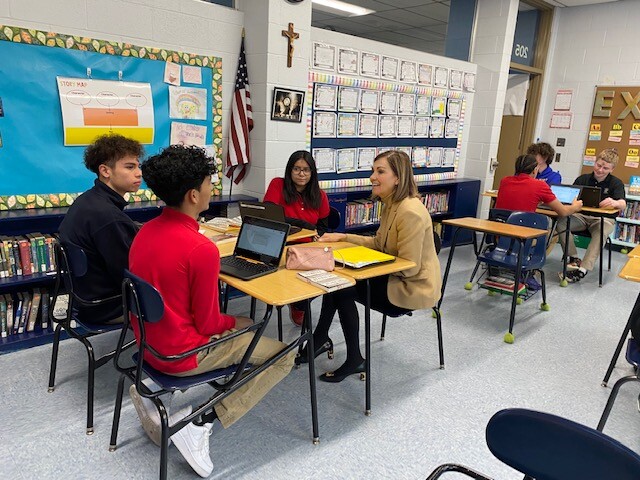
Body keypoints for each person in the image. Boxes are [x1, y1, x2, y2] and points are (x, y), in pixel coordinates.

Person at [129, 145, 295, 478]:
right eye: (209, 182)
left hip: (148, 347)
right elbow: (208, 324)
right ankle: (200, 423)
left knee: (243, 329)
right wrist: (239, 322)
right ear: (193, 195)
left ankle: (153, 393)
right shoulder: (200, 249)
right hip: (182, 356)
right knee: (285, 353)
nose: (212, 188)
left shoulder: (144, 230)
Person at [299, 150, 441, 383]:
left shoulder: (410, 211)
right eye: (373, 170)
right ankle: (322, 339)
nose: (372, 176)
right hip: (395, 278)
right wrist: (342, 237)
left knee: (342, 287)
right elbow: (378, 244)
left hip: (410, 288)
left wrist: (364, 267)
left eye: (380, 171)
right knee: (337, 282)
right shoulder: (391, 204)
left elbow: (409, 268)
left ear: (398, 178)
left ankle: (348, 355)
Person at [58, 133, 143, 323]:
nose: (139, 173)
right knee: (179, 291)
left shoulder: (89, 200)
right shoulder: (108, 216)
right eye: (130, 167)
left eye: (138, 166)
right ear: (105, 171)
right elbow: (132, 274)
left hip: (85, 299)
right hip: (106, 307)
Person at [264, 150, 330, 326]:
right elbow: (271, 215)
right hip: (280, 245)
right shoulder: (278, 184)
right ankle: (297, 300)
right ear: (290, 170)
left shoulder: (319, 195)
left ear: (312, 172)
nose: (302, 174)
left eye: (306, 170)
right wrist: (307, 226)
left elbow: (323, 225)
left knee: (332, 278)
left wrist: (317, 236)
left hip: (308, 249)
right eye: (297, 169)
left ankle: (299, 303)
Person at [557, 148, 626, 283]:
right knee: (561, 222)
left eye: (605, 168)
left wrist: (614, 202)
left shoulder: (616, 183)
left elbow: (623, 204)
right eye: (598, 165)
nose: (600, 170)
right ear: (595, 162)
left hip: (603, 220)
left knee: (601, 232)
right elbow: (570, 198)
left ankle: (583, 269)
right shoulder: (582, 179)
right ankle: (573, 258)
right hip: (581, 217)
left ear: (612, 169)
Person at [495, 154, 582, 215]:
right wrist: (575, 206)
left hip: (500, 228)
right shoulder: (540, 185)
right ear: (534, 170)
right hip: (522, 228)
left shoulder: (505, 181)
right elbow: (563, 212)